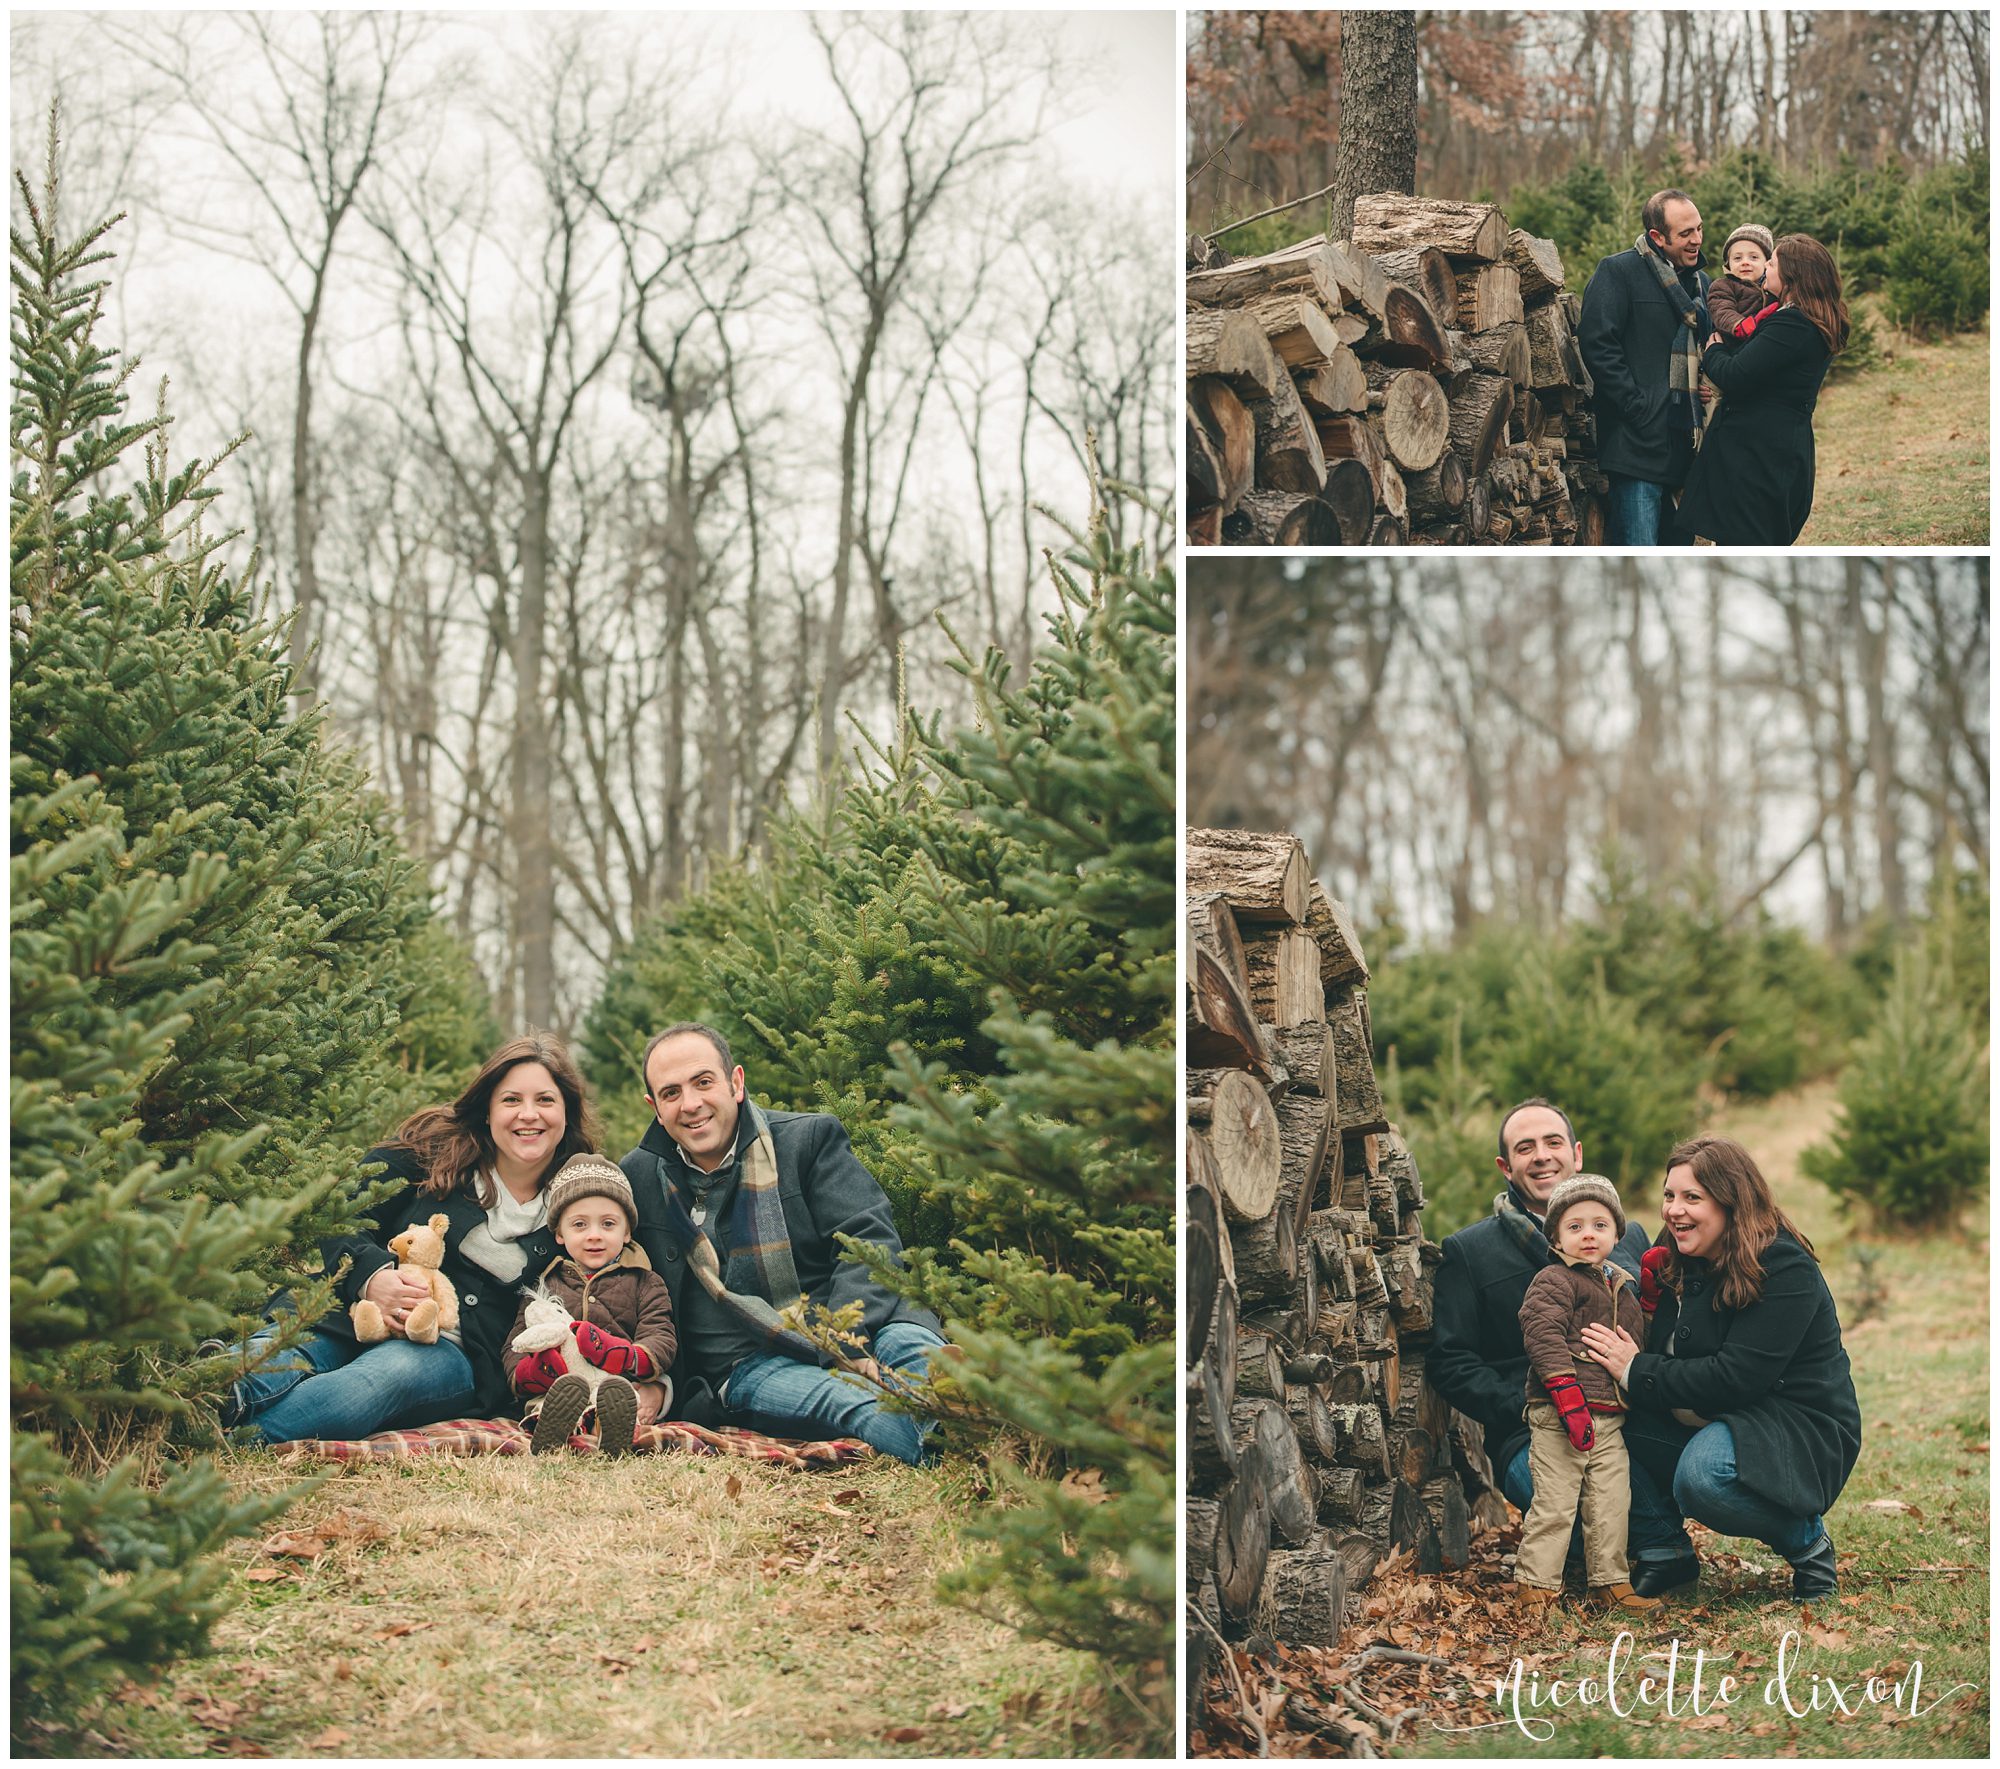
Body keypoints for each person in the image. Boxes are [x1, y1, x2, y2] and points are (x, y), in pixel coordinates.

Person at [218, 1034, 598, 1444]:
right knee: (279, 1356)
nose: (529, 1115)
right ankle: (199, 1408)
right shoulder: (430, 1155)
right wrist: (372, 1277)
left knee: (370, 1383)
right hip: (350, 1311)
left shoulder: (580, 1199)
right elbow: (338, 1214)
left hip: (446, 1354)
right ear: (487, 1110)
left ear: (566, 1114)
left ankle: (228, 1443)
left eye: (545, 1100)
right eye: (511, 1100)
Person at [618, 1022, 947, 1463]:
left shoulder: (806, 1141)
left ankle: (984, 1415)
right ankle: (962, 1445)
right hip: (747, 1362)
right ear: (655, 1108)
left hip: (858, 1320)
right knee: (843, 1399)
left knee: (914, 1350)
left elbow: (867, 1240)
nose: (691, 1104)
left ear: (736, 1082)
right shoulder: (638, 1177)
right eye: (671, 1093)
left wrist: (841, 1339)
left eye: (703, 1082)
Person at [1581, 1134, 1861, 1601]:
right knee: (1603, 1429)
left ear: (1732, 1202)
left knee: (1703, 1476)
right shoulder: (1679, 1251)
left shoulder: (1783, 1266)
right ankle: (1665, 1549)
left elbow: (1736, 1378)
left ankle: (1807, 1542)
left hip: (1793, 1422)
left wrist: (1636, 1369)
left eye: (1693, 1197)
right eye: (1669, 1196)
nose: (1674, 1210)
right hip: (1710, 1412)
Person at [1429, 1098, 1693, 1591]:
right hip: (1528, 1428)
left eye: (1553, 1143)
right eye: (1525, 1148)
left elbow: (1656, 1327)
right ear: (1506, 1167)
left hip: (1624, 1411)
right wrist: (1525, 1403)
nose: (1542, 1156)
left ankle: (1660, 1548)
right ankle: (1638, 1552)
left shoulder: (1626, 1237)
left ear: (1576, 1154)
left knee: (1637, 1467)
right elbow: (1451, 1361)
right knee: (1563, 1513)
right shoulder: (1470, 1252)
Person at [1514, 1176, 1659, 1617]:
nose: (1589, 1234)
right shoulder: (1554, 1279)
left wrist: (1649, 1305)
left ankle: (1610, 1581)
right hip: (1561, 1413)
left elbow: (1635, 1345)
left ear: (1618, 1233)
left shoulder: (1620, 1283)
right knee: (1556, 1501)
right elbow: (1541, 1333)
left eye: (1600, 1224)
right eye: (1574, 1227)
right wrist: (1566, 1395)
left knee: (1611, 1500)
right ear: (1555, 1237)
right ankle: (1536, 1588)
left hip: (1609, 1415)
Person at [1677, 234, 1849, 545]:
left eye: (1771, 263)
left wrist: (1714, 349)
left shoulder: (1792, 324)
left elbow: (1736, 374)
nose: (1765, 268)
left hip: (1759, 455)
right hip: (1774, 447)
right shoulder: (1805, 319)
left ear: (1792, 274)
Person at [509, 1155, 678, 1455]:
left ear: (627, 1232)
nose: (594, 1235)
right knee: (549, 1401)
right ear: (560, 1234)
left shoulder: (645, 1282)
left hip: (617, 1385)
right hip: (559, 1385)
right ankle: (551, 1428)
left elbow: (661, 1336)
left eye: (608, 1224)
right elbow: (516, 1342)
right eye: (579, 1225)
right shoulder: (546, 1285)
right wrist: (529, 1373)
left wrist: (627, 1356)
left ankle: (610, 1428)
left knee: (619, 1400)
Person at [1577, 188, 1712, 544]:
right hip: (1636, 447)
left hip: (1686, 448)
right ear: (1657, 237)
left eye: (1699, 229)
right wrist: (1637, 406)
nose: (1697, 239)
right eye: (1686, 234)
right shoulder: (1618, 272)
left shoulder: (1702, 284)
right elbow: (1597, 343)